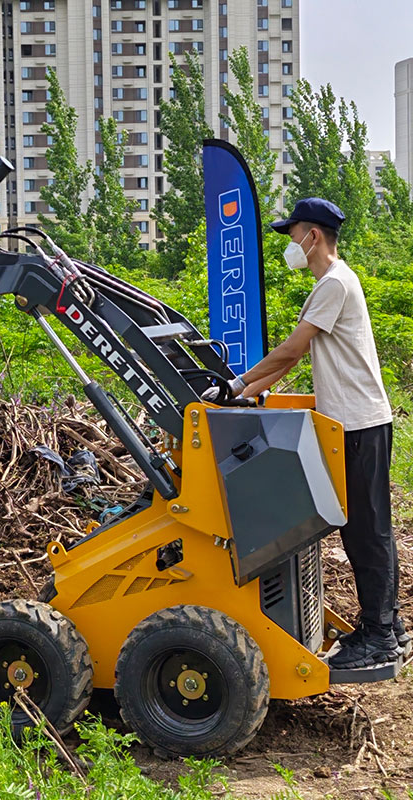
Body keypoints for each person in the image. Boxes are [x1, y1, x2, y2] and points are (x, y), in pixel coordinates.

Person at [211, 197, 406, 670]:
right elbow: (293, 359)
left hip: (358, 423)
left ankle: (381, 635)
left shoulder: (333, 283)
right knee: (365, 527)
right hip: (359, 422)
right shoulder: (337, 283)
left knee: (366, 531)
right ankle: (389, 628)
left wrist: (236, 384)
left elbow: (292, 350)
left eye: (293, 234)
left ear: (313, 236)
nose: (291, 244)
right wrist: (240, 396)